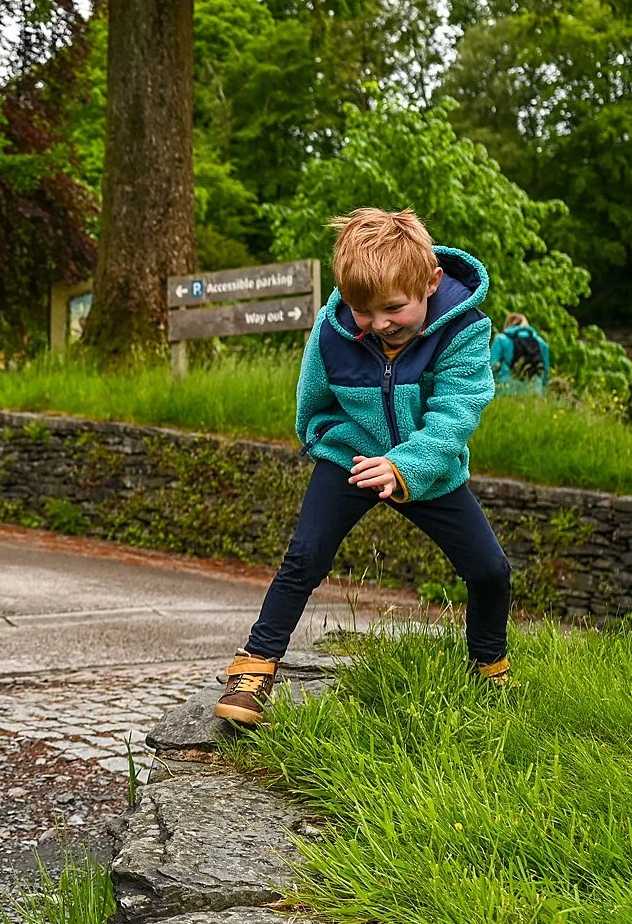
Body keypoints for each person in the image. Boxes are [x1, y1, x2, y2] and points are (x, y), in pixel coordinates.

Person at [216, 207, 514, 727]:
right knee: (304, 558)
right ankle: (254, 668)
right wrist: (325, 440)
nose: (379, 325)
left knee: (491, 571)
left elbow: (456, 414)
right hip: (350, 457)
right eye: (363, 310)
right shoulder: (332, 329)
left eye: (393, 308)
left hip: (426, 463)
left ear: (430, 282)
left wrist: (404, 467)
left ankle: (490, 668)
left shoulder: (464, 329)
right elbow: (313, 398)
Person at [491, 311, 551, 393]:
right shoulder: (540, 342)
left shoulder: (501, 339)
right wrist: (542, 387)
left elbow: (492, 366)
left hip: (506, 390)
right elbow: (546, 370)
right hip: (534, 390)